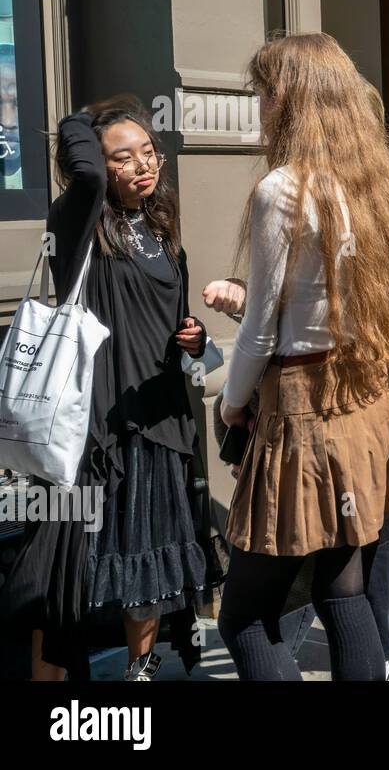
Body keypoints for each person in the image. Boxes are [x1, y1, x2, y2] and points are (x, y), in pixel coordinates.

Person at [216, 34, 389, 681]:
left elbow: (260, 328)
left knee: (245, 618)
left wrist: (230, 405)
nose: (258, 103)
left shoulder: (282, 191)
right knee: (343, 593)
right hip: (362, 406)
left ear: (288, 98)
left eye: (262, 91)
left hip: (300, 416)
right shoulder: (374, 187)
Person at [0, 99, 221, 681]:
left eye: (149, 153)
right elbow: (88, 173)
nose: (143, 166)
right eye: (124, 158)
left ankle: (138, 672)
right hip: (92, 428)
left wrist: (195, 341)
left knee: (144, 558)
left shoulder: (159, 230)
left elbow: (172, 321)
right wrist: (86, 116)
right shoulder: (78, 227)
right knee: (63, 573)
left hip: (157, 418)